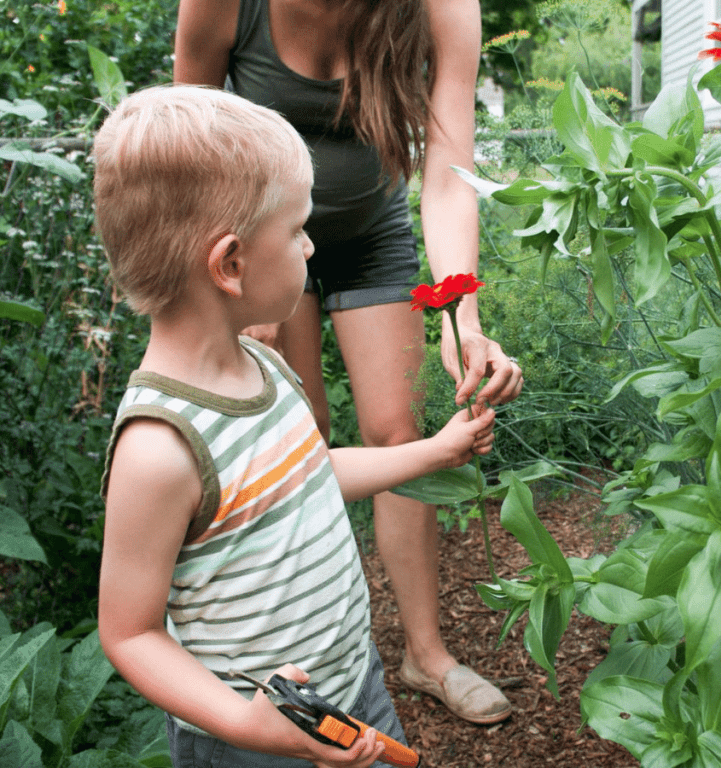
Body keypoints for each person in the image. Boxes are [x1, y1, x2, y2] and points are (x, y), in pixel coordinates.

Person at [95, 84, 497, 768]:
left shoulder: (263, 366)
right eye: (296, 230)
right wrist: (248, 728)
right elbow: (129, 634)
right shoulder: (160, 449)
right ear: (230, 264)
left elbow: (309, 475)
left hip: (351, 687)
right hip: (252, 742)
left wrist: (434, 453)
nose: (312, 248)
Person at [172, 0, 521, 724]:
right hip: (263, 243)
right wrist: (231, 283)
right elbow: (189, 146)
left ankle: (425, 654)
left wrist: (463, 315)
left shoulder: (442, 7)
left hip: (371, 230)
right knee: (299, 441)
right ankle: (295, 661)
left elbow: (450, 172)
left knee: (402, 433)